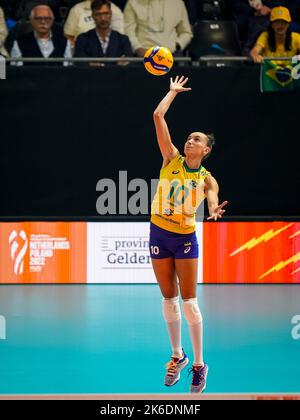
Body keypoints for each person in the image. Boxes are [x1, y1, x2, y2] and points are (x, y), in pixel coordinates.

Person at [150, 76, 227, 393]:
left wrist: (212, 210)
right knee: (168, 300)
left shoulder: (207, 178)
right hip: (158, 234)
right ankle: (177, 356)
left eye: (196, 140)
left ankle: (198, 364)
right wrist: (171, 93)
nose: (189, 142)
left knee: (190, 303)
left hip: (184, 238)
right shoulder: (170, 158)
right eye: (189, 138)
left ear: (206, 149)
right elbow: (158, 117)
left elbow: (211, 196)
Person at [124, 0, 193, 57]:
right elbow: (128, 32)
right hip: (142, 55)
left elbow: (186, 32)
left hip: (171, 54)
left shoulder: (177, 3)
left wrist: (176, 46)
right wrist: (137, 48)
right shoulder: (133, 2)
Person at [74, 0, 132, 65]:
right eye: (98, 14)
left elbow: (129, 61)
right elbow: (79, 63)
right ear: (93, 16)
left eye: (106, 13)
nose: (103, 18)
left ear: (111, 14)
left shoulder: (123, 40)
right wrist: (89, 64)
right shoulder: (82, 39)